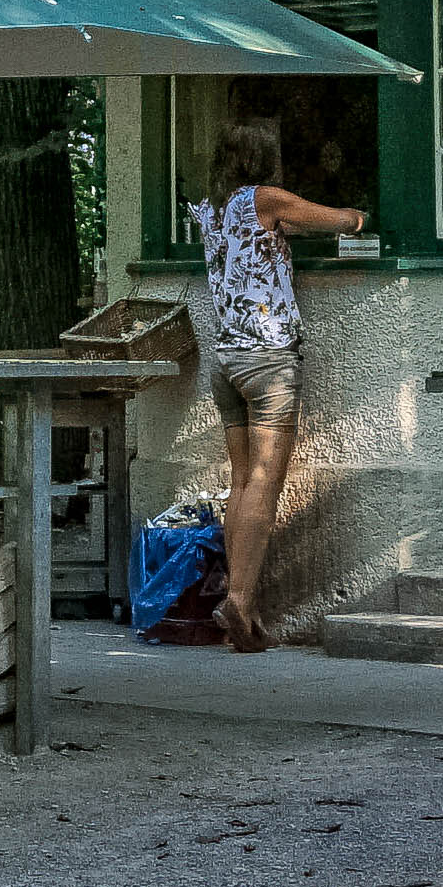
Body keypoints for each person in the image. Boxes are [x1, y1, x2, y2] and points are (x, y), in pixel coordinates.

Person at [186, 117, 366, 656]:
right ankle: (239, 599)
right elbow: (337, 220)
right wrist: (358, 216)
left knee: (243, 481)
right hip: (268, 362)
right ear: (263, 160)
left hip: (227, 361)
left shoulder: (213, 210)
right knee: (266, 479)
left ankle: (244, 602)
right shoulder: (263, 199)